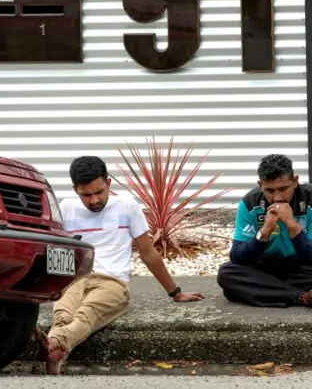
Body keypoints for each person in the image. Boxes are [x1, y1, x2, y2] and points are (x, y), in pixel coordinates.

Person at [35, 156, 205, 374]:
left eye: (99, 192)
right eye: (86, 195)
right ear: (75, 189)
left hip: (112, 282)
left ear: (108, 183)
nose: (94, 200)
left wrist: (175, 292)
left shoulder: (126, 206)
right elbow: (55, 250)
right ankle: (56, 355)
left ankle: (54, 342)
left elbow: (147, 252)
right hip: (74, 279)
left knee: (86, 313)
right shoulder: (66, 208)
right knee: (63, 315)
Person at [216, 154, 312, 310]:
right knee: (226, 274)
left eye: (283, 189)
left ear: (295, 181)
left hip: (304, 267)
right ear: (260, 185)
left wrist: (292, 225)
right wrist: (265, 231)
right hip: (267, 265)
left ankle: (258, 290)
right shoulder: (249, 203)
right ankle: (301, 297)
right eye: (269, 190)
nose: (277, 197)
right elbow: (237, 256)